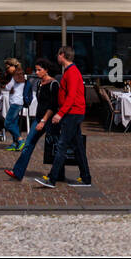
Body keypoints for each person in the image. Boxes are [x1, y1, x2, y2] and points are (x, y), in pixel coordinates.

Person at [35, 45, 91, 189]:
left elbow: (71, 96)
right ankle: (86, 178)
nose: (56, 57)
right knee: (78, 147)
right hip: (73, 112)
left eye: (58, 55)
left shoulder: (71, 72)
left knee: (61, 145)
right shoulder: (70, 71)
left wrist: (60, 113)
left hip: (72, 113)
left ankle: (52, 179)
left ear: (62, 55)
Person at [6, 59, 59, 181]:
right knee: (28, 144)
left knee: (55, 147)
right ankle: (18, 172)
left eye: (39, 70)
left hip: (49, 121)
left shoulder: (54, 84)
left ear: (46, 70)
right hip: (39, 118)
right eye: (36, 69)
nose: (37, 72)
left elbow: (53, 105)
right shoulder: (40, 83)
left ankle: (57, 174)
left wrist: (43, 120)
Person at [1, 59, 27, 150]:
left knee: (7, 123)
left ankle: (20, 140)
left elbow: (8, 87)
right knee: (14, 123)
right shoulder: (19, 73)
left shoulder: (16, 74)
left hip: (15, 102)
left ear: (13, 66)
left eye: (8, 67)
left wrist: (4, 86)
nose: (7, 69)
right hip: (17, 102)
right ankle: (15, 143)